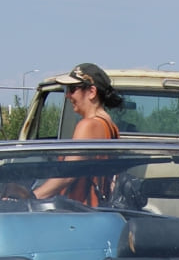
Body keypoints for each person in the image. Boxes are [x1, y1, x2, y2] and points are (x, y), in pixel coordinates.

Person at [35, 63, 123, 205]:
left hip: (80, 214)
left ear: (92, 92)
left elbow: (68, 175)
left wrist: (32, 196)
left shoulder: (88, 125)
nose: (67, 95)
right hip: (99, 212)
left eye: (72, 89)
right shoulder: (110, 126)